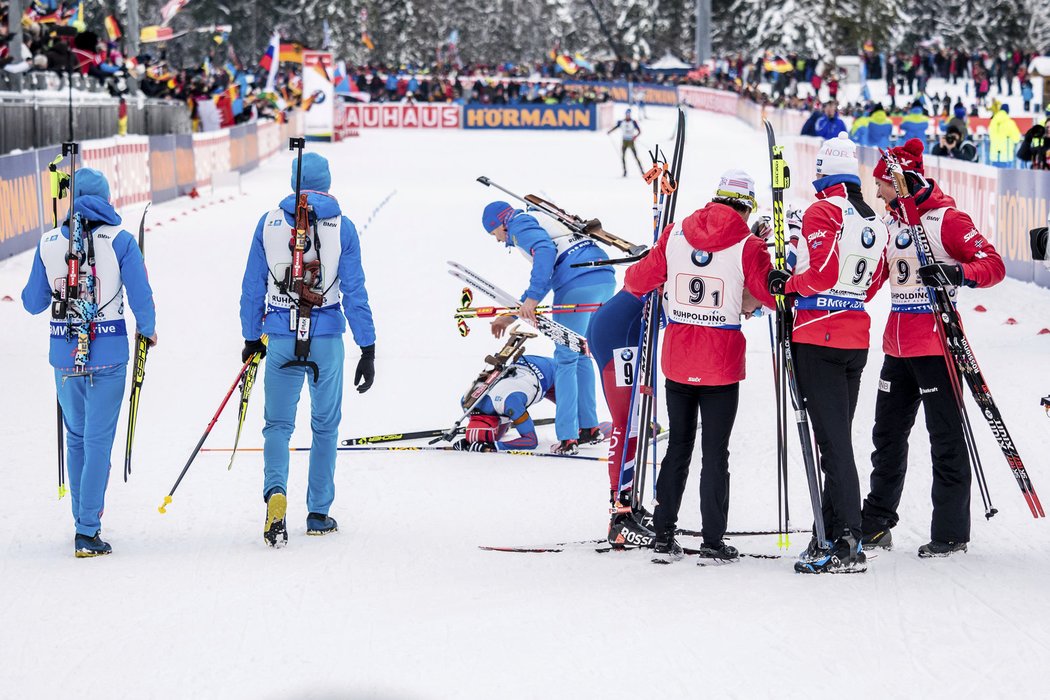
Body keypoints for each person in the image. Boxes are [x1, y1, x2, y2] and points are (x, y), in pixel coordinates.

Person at [861, 138, 1005, 557]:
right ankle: (875, 523)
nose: (878, 193)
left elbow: (992, 265)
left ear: (900, 181)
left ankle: (950, 531)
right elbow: (869, 285)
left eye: (883, 185)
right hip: (897, 348)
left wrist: (955, 272)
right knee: (886, 437)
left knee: (945, 438)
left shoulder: (946, 220)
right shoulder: (889, 225)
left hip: (937, 345)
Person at [623, 170, 775, 564]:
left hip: (678, 358)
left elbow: (636, 279)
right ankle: (712, 540)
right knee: (715, 453)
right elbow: (771, 297)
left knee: (678, 446)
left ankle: (662, 533)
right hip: (721, 363)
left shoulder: (674, 233)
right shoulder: (749, 244)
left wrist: (665, 276)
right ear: (747, 206)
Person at [766, 133, 889, 574]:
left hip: (818, 337)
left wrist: (787, 285)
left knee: (832, 444)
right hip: (854, 337)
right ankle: (833, 529)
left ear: (822, 172)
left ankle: (849, 540)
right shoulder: (874, 215)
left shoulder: (823, 209)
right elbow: (875, 280)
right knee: (834, 442)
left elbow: (819, 275)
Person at [240, 152, 376, 548]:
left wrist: (251, 337)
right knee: (325, 427)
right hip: (327, 335)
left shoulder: (267, 223)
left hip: (280, 334)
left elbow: (252, 288)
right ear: (327, 182)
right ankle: (318, 511)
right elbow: (355, 290)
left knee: (278, 427)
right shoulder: (343, 226)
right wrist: (367, 345)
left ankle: (276, 493)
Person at [21, 168, 157, 557]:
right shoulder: (122, 239)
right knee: (98, 442)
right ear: (107, 198)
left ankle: (82, 521)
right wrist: (148, 329)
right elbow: (141, 295)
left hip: (64, 355)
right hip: (109, 352)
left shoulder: (48, 242)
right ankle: (87, 528)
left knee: (77, 438)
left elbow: (32, 303)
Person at [481, 202, 615, 455]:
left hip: (576, 281)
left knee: (565, 359)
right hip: (603, 278)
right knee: (581, 353)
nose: (499, 240)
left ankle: (567, 437)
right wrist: (511, 317)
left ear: (500, 223)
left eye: (494, 234)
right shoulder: (543, 218)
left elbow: (544, 251)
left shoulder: (518, 224)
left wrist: (532, 297)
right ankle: (588, 427)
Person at [606, 108, 644, 177]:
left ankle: (642, 172)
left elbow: (639, 131)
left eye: (628, 114)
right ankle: (625, 171)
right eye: (626, 114)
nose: (627, 116)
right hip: (624, 141)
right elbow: (616, 127)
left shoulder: (633, 122)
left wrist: (635, 136)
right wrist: (609, 131)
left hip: (631, 141)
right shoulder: (621, 122)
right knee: (623, 157)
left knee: (636, 157)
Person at [988, 103, 1021, 168]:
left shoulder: (993, 122)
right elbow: (1016, 138)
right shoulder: (1010, 123)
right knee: (1006, 177)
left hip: (994, 156)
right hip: (1006, 156)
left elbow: (990, 134)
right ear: (1008, 111)